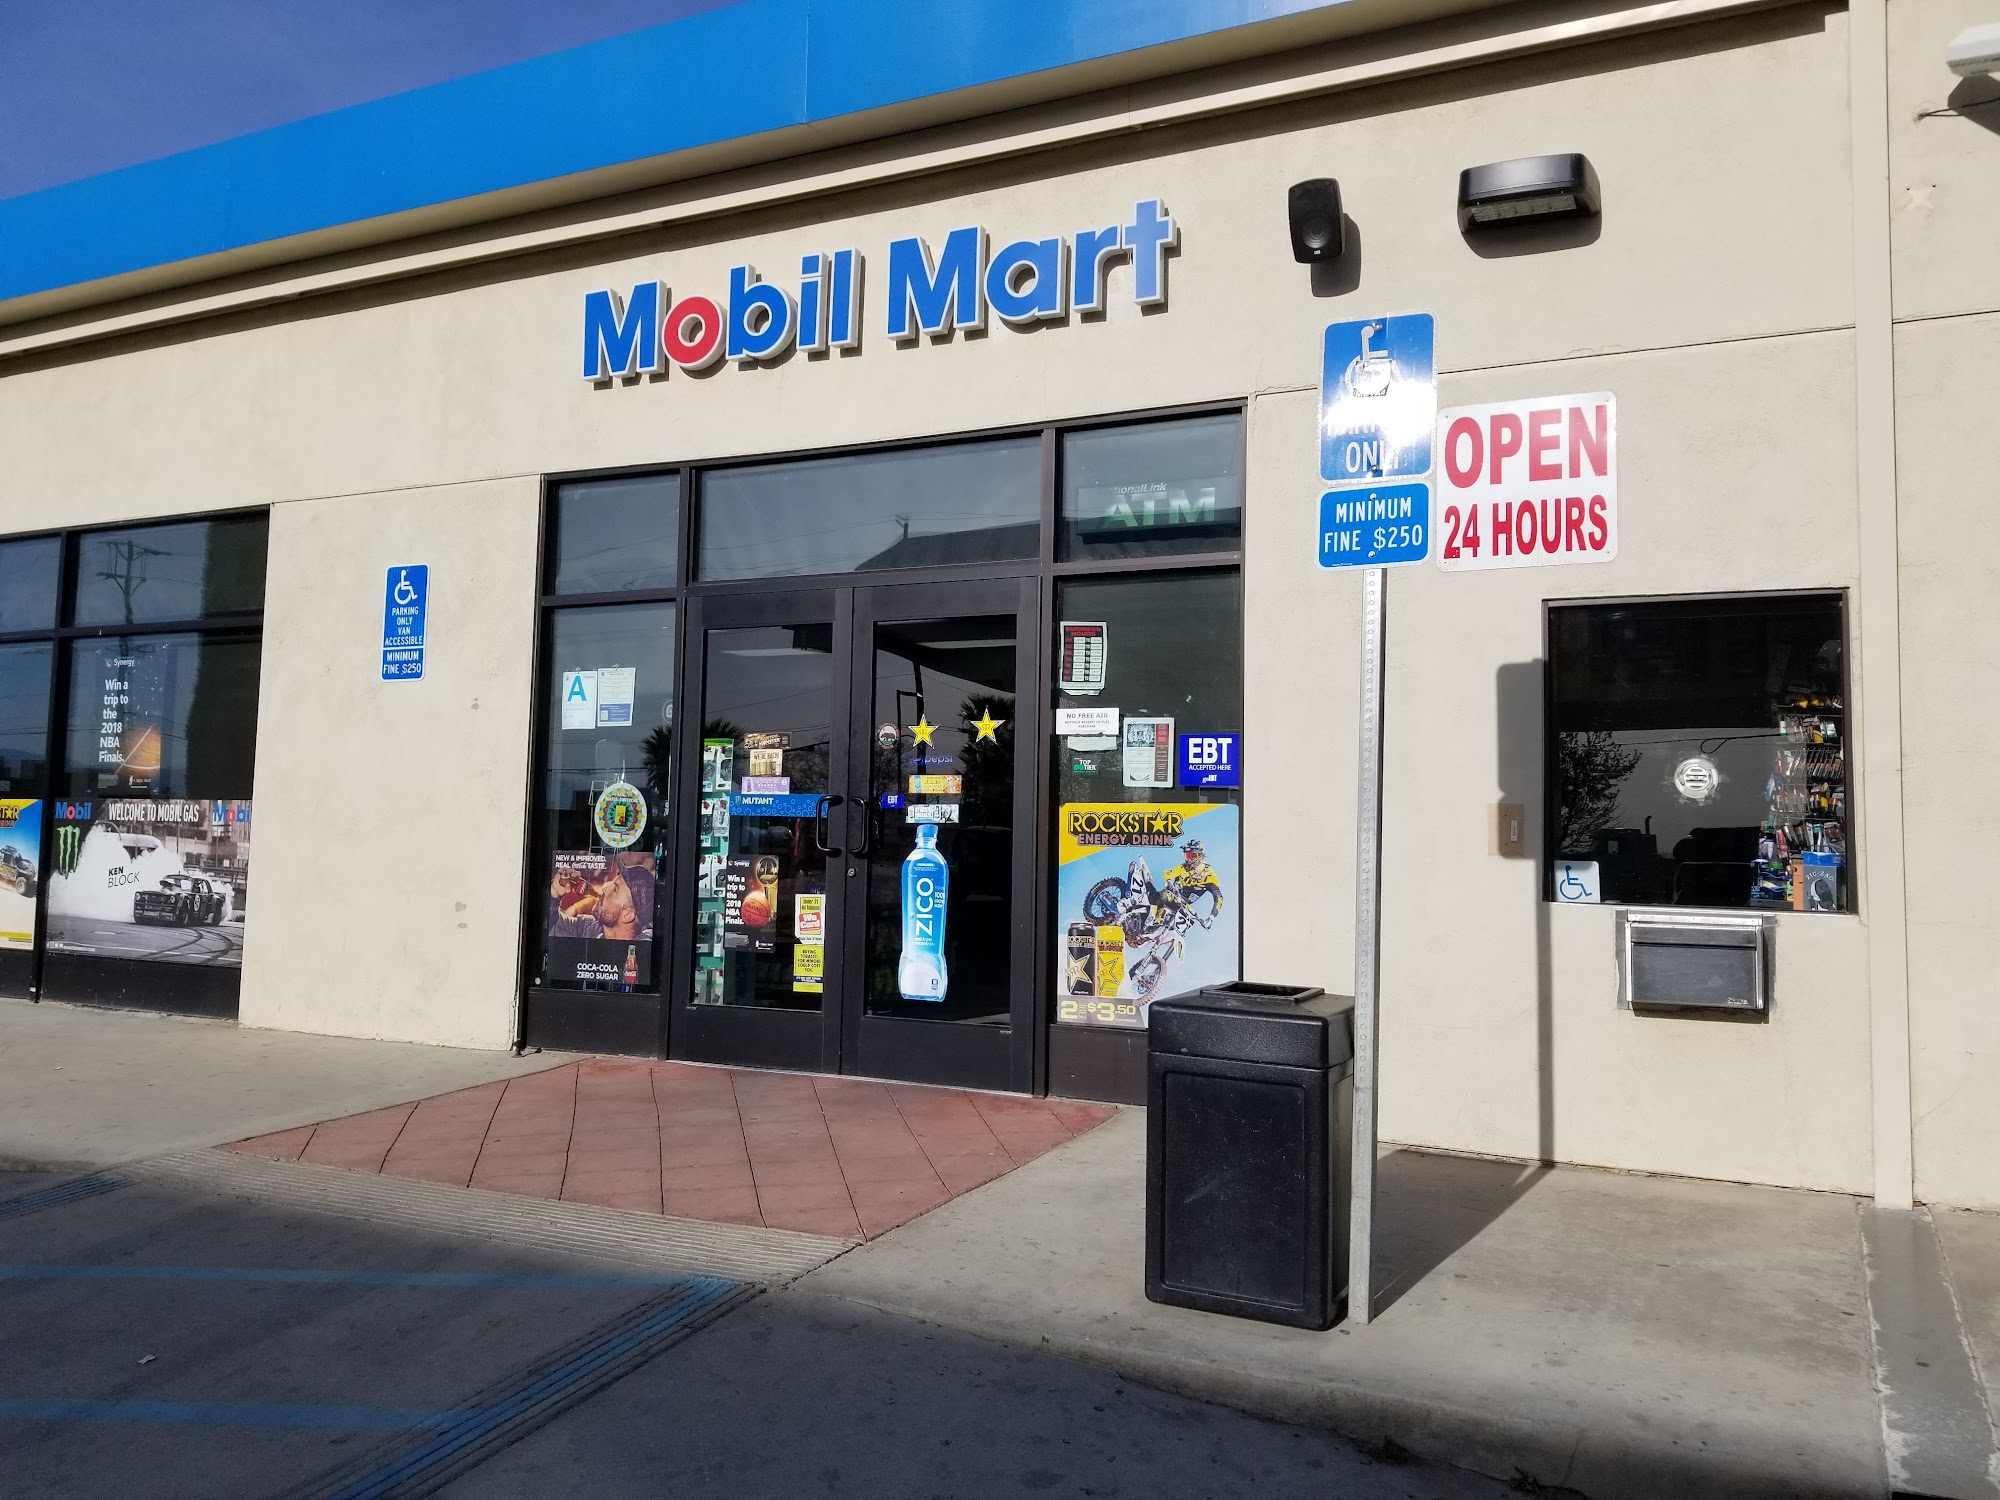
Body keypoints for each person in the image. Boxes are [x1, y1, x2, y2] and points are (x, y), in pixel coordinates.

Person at [1160, 839, 1223, 924]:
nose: (1189, 860)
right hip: (1171, 895)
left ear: (1200, 856)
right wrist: (1169, 881)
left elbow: (1219, 898)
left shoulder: (1210, 876)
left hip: (1185, 906)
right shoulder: (1183, 867)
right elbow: (1168, 873)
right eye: (1187, 856)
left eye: (1192, 856)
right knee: (1161, 896)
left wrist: (1211, 918)